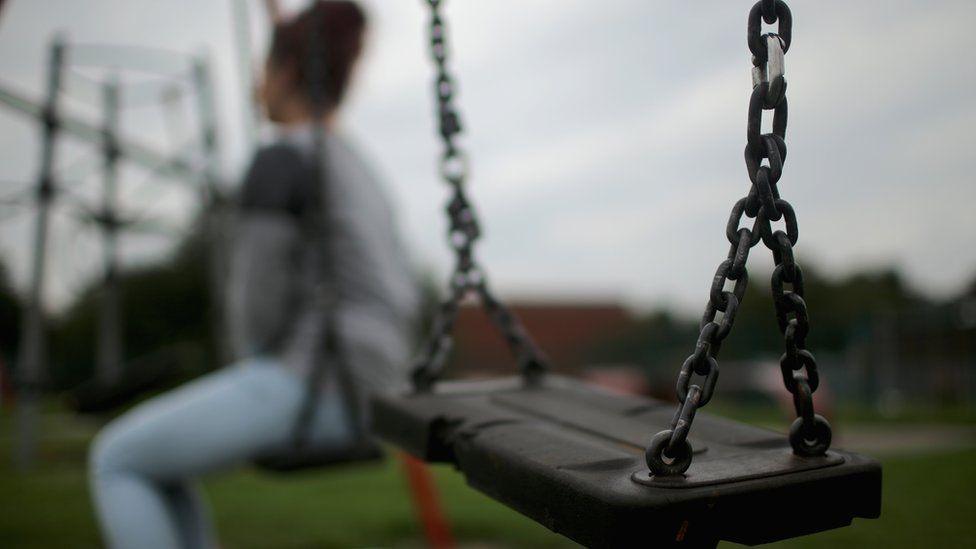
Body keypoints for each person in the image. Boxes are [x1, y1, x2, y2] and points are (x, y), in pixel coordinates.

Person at [88, 3, 420, 547]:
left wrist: (252, 359)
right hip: (380, 384)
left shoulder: (282, 160)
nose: (255, 81)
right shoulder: (357, 164)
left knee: (116, 458)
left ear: (286, 72)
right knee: (161, 465)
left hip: (318, 381)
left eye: (264, 67)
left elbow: (257, 303)